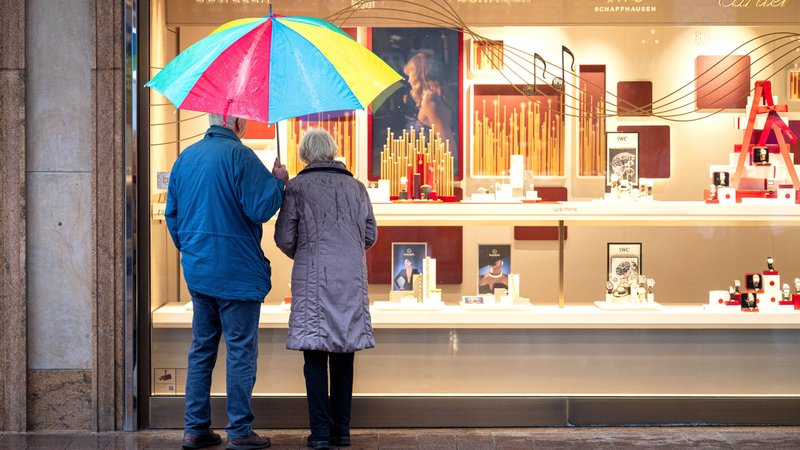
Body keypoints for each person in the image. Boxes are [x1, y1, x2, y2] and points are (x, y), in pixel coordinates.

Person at [166, 113, 289, 450]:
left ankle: (195, 429)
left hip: (200, 272)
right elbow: (260, 208)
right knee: (240, 351)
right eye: (245, 119)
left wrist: (193, 251)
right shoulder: (241, 156)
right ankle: (239, 431)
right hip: (237, 274)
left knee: (201, 350)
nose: (246, 125)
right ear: (235, 121)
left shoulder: (185, 158)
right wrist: (279, 181)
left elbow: (172, 216)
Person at [274, 129, 377, 450]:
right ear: (332, 151)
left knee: (315, 355)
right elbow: (370, 234)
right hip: (350, 278)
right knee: (344, 355)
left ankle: (320, 433)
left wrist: (306, 253)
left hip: (312, 279)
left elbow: (283, 237)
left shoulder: (296, 188)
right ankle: (342, 432)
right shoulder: (357, 187)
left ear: (305, 153)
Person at [403, 50, 456, 147]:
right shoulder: (431, 97)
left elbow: (449, 147)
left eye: (410, 74)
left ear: (419, 75)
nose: (409, 80)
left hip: (434, 160)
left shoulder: (430, 99)